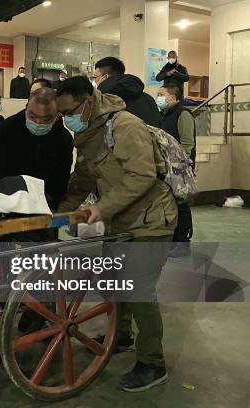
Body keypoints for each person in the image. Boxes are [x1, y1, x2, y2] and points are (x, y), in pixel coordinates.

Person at [56, 76, 177, 393]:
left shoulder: (125, 126)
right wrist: (58, 216)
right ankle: (120, 335)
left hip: (151, 221)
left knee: (139, 290)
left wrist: (103, 207)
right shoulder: (87, 133)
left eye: (69, 111)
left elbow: (142, 176)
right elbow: (82, 180)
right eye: (61, 113)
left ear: (88, 101)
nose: (66, 118)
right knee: (114, 281)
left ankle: (153, 363)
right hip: (120, 221)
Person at [0, 87, 73, 210]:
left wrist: (52, 203)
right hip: (8, 202)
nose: (38, 122)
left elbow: (62, 179)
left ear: (57, 114)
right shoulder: (6, 130)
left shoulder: (64, 138)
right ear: (26, 107)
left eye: (46, 119)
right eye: (33, 116)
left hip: (46, 205)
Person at [157, 83, 196, 257]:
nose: (158, 97)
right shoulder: (164, 115)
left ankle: (182, 242)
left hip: (179, 167)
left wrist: (180, 164)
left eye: (161, 94)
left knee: (181, 204)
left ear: (172, 97)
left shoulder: (183, 114)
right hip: (167, 166)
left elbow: (187, 143)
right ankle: (173, 240)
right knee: (170, 203)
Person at [93, 56, 161, 127]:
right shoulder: (148, 98)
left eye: (95, 77)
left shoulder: (105, 101)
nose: (94, 81)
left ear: (105, 77)